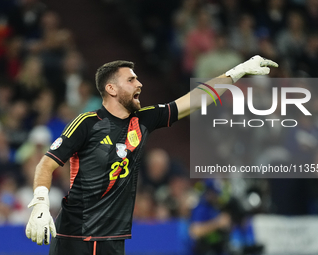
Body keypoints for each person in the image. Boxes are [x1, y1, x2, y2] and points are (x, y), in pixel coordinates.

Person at [25, 55, 278, 255]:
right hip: (75, 235)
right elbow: (46, 165)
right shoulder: (87, 123)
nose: (140, 84)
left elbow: (197, 99)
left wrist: (236, 72)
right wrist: (40, 203)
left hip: (113, 238)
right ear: (111, 88)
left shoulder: (144, 119)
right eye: (131, 80)